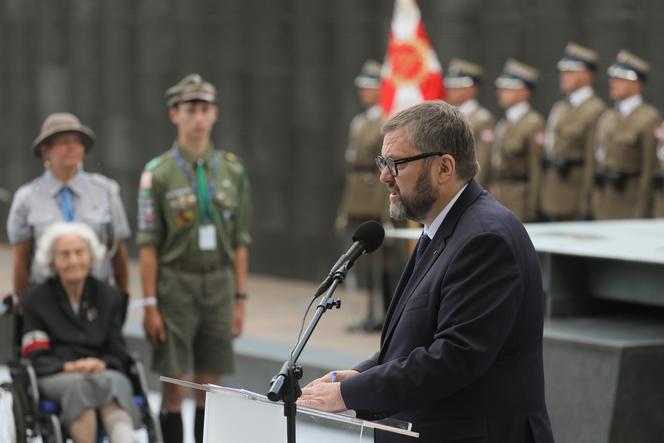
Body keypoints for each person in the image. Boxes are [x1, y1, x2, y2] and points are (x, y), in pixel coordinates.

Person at [298, 101, 554, 443]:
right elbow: (418, 340)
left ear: (444, 168)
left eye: (396, 163)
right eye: (383, 162)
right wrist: (359, 376)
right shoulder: (445, 226)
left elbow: (452, 357)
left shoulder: (485, 238)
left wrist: (349, 396)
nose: (384, 175)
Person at [137, 73, 251, 443]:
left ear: (215, 114)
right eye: (190, 110)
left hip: (218, 283)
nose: (198, 117)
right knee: (174, 384)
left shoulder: (233, 170)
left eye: (204, 109)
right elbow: (148, 243)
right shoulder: (158, 174)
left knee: (210, 384)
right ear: (175, 115)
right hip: (176, 284)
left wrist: (239, 299)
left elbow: (240, 242)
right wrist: (151, 303)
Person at [21, 222, 139, 443]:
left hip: (101, 371)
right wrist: (69, 367)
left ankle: (124, 438)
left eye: (79, 252)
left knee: (113, 383)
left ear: (91, 257)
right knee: (78, 386)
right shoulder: (35, 298)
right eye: (64, 254)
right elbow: (35, 355)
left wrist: (101, 363)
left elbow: (117, 349)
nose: (73, 261)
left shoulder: (108, 296)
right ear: (52, 261)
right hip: (56, 374)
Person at [7, 112, 131, 300]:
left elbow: (118, 253)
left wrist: (122, 298)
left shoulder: (105, 191)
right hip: (46, 299)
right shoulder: (27, 198)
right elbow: (21, 262)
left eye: (77, 141)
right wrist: (24, 307)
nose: (72, 147)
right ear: (45, 150)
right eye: (63, 141)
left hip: (97, 296)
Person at [336, 59, 392, 331]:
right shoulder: (359, 122)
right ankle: (368, 313)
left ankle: (380, 313)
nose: (364, 92)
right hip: (358, 195)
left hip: (374, 195)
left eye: (369, 87)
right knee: (361, 261)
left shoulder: (384, 120)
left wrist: (385, 207)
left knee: (381, 263)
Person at [591, 50, 662, 219]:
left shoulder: (648, 118)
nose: (613, 83)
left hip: (632, 201)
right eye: (613, 78)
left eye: (621, 79)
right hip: (607, 201)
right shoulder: (608, 118)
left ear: (637, 84)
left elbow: (649, 170)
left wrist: (642, 211)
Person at [539, 43, 606, 221]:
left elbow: (592, 160)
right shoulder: (560, 108)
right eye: (563, 71)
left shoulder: (595, 109)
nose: (563, 76)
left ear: (587, 75)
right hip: (553, 196)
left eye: (570, 72)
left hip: (575, 197)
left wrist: (586, 204)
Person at [492, 59, 545, 222]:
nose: (501, 92)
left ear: (524, 91)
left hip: (521, 199)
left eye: (508, 88)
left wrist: (533, 207)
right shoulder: (503, 124)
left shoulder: (533, 123)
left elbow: (536, 169)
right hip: (501, 196)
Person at [445, 58, 495, 189]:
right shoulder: (447, 115)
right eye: (451, 85)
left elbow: (482, 161)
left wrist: (470, 190)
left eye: (458, 86)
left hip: (467, 187)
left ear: (472, 88)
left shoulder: (482, 120)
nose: (451, 89)